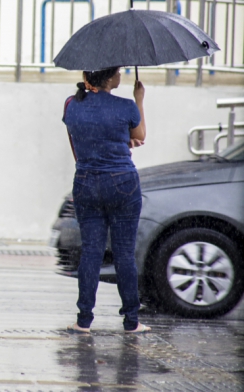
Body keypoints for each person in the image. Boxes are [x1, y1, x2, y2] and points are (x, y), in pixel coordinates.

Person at [62, 67, 150, 334]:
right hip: (122, 183)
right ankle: (131, 321)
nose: (121, 75)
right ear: (110, 77)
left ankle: (84, 320)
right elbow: (141, 135)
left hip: (86, 182)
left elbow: (79, 142)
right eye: (119, 71)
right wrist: (139, 100)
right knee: (124, 253)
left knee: (91, 251)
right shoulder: (126, 106)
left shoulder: (71, 105)